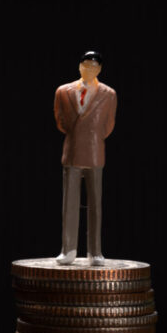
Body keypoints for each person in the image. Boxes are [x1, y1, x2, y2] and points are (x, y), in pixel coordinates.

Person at [54, 51, 117, 266]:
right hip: (71, 151)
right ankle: (68, 249)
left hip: (94, 150)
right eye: (85, 65)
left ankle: (95, 251)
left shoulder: (109, 94)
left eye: (93, 67)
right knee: (69, 203)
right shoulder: (63, 91)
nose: (88, 70)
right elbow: (61, 121)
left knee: (95, 204)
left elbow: (108, 125)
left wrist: (92, 136)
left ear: (99, 70)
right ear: (79, 66)